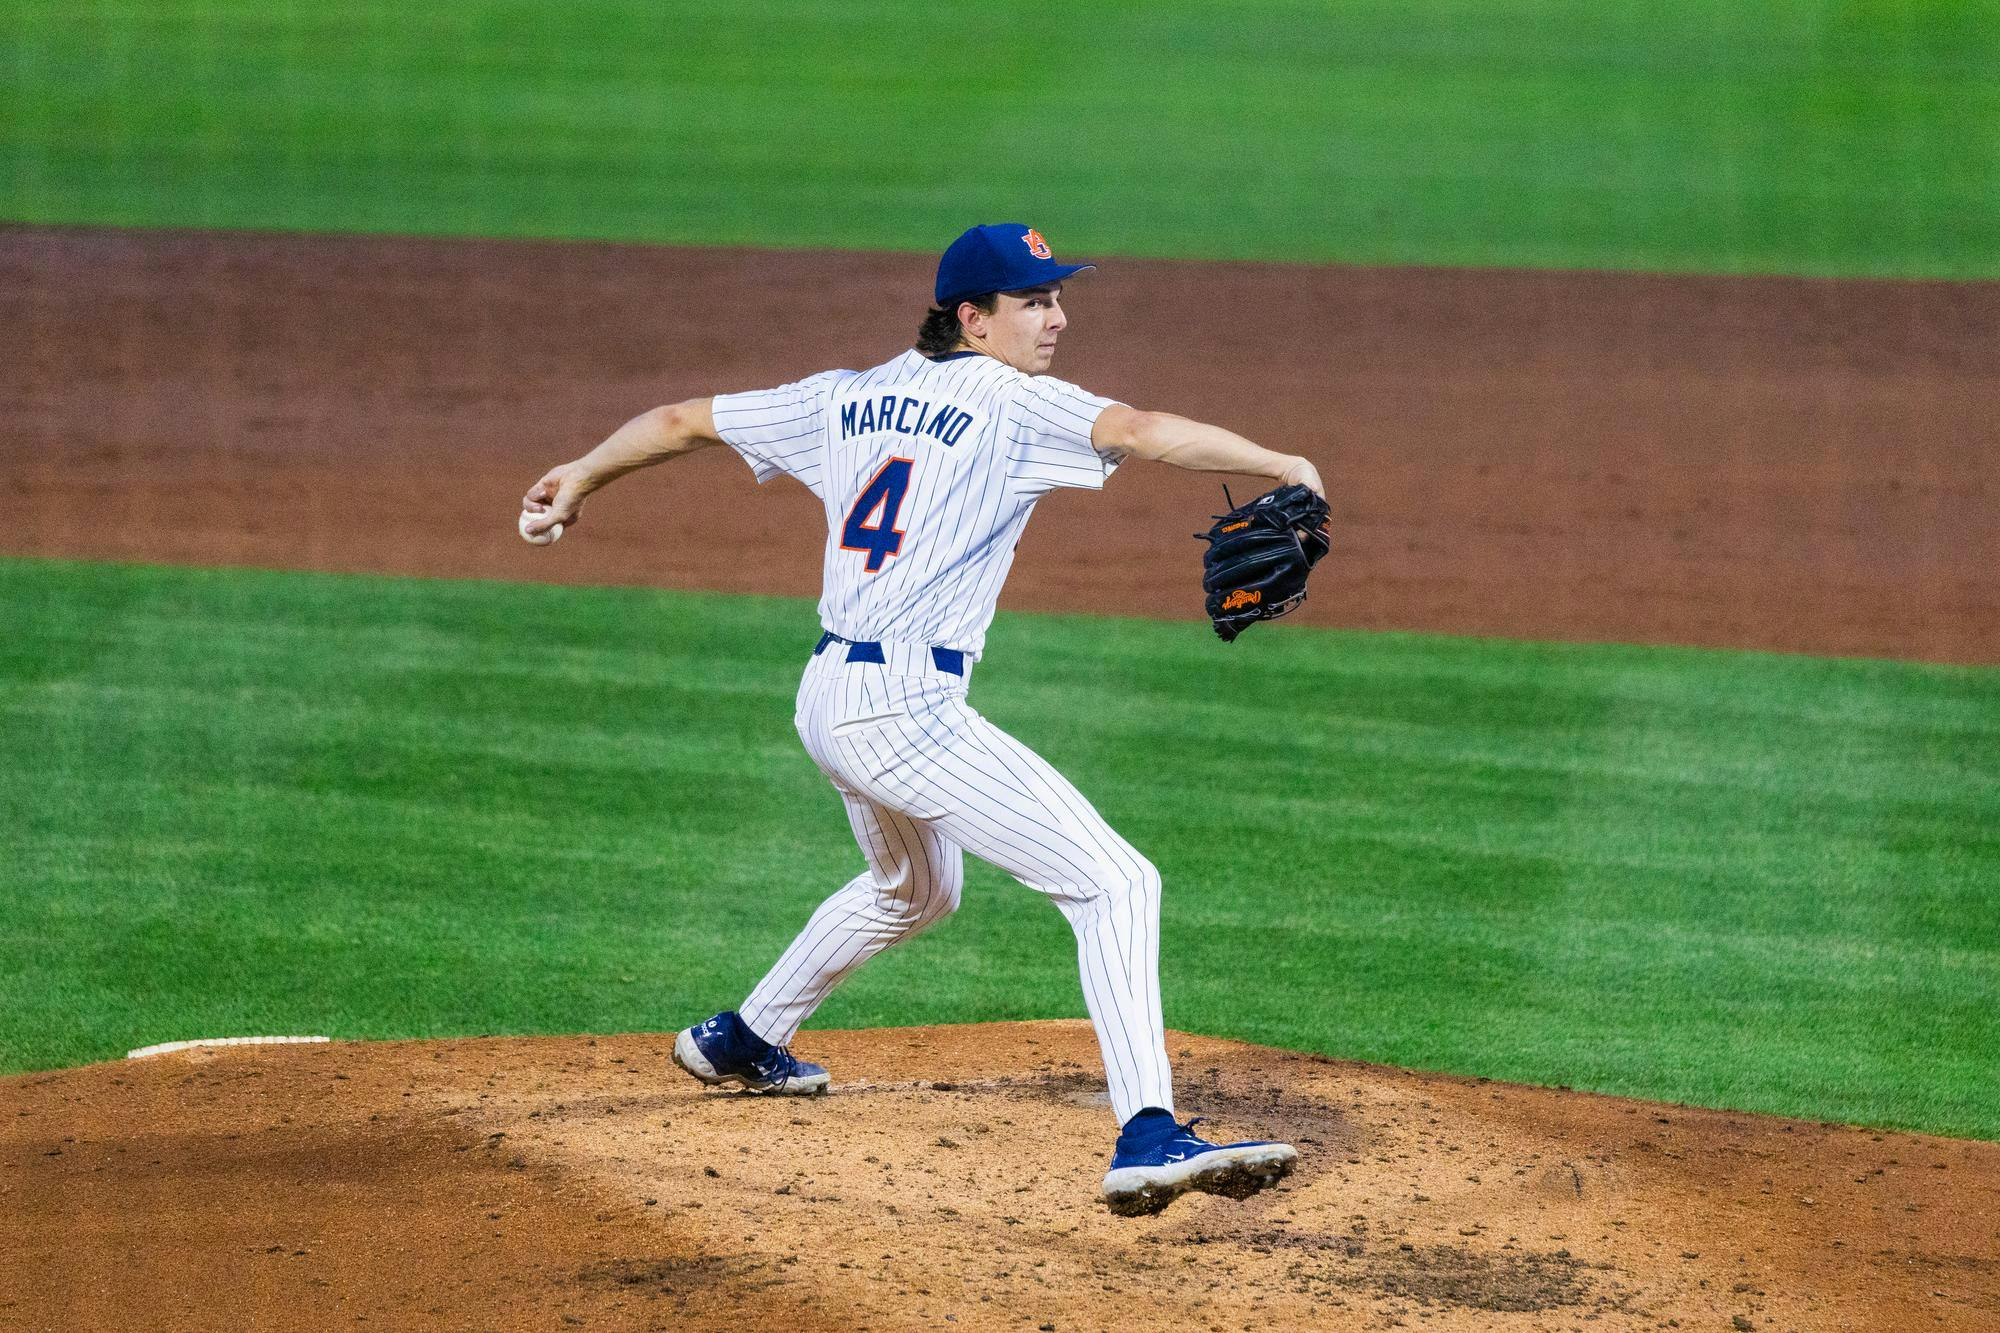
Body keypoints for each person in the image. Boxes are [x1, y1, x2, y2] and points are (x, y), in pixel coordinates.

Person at [521, 223, 1323, 1215]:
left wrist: (580, 474)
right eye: (1032, 302)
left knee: (912, 889)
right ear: (970, 318)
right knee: (1117, 882)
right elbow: (1142, 430)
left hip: (829, 698)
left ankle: (740, 1035)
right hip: (902, 708)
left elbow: (684, 418)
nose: (1056, 317)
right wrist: (1283, 461)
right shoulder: (1012, 403)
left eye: (1057, 296)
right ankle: (1148, 1132)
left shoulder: (842, 396)